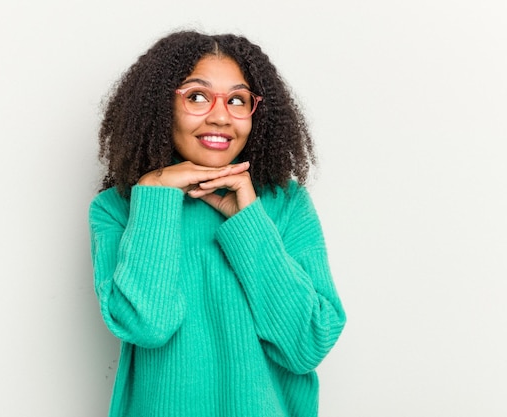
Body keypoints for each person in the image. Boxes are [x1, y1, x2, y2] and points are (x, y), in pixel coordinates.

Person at [89, 30, 346, 417]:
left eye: (238, 100)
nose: (221, 116)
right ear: (162, 107)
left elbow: (307, 344)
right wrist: (156, 195)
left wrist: (248, 222)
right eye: (196, 96)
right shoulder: (119, 209)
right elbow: (147, 326)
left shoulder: (285, 204)